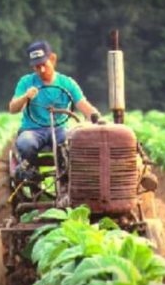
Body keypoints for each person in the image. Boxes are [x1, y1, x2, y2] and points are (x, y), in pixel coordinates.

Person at [8, 40, 101, 182]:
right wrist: (25, 97)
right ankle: (31, 172)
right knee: (25, 142)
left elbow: (83, 105)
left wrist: (97, 117)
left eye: (44, 64)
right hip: (32, 130)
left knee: (70, 141)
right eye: (37, 67)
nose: (42, 70)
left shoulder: (67, 83)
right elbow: (13, 108)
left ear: (52, 59)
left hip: (59, 129)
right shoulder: (26, 82)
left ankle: (66, 175)